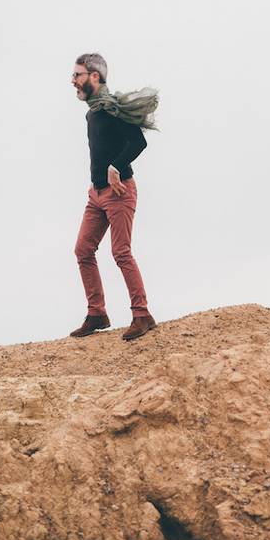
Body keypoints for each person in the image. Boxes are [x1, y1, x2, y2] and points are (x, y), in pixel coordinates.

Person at [68, 53, 159, 340]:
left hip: (119, 192)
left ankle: (142, 315)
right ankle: (97, 313)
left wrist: (115, 167)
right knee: (83, 249)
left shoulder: (110, 109)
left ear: (94, 76)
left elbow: (138, 141)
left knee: (120, 252)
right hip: (96, 194)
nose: (73, 81)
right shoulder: (92, 112)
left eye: (78, 75)